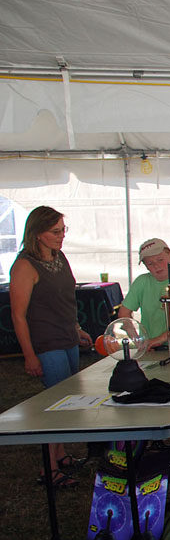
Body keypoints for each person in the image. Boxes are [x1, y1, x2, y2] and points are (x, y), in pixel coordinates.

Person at [10, 206, 94, 487]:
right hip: (46, 343)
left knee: (68, 403)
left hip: (67, 339)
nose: (61, 237)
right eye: (55, 232)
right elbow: (18, 315)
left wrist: (76, 328)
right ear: (37, 233)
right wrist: (29, 355)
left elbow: (66, 301)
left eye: (63, 230)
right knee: (55, 407)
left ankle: (60, 455)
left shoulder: (59, 258)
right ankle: (50, 468)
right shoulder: (24, 266)